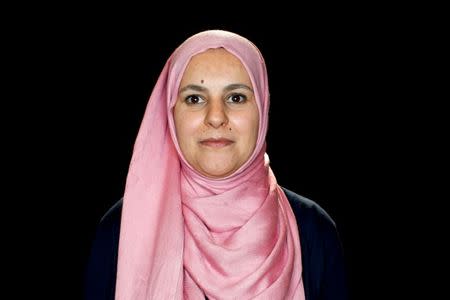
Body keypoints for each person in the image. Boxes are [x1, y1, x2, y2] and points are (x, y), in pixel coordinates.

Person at [84, 29, 348, 300]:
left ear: (263, 108)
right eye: (194, 99)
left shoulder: (314, 230)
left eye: (236, 98)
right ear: (170, 113)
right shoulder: (122, 227)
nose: (216, 117)